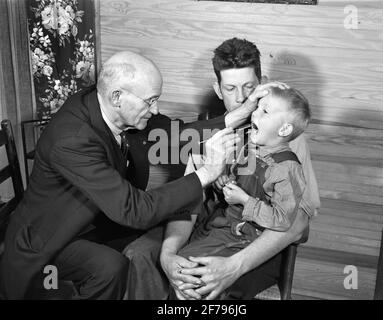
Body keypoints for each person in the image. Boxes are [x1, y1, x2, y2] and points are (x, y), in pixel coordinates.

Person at [0, 51, 247, 300]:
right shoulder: (72, 140)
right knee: (112, 267)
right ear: (117, 97)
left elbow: (175, 132)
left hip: (92, 224)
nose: (156, 108)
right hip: (47, 243)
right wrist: (206, 174)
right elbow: (134, 210)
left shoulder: (105, 104)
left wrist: (240, 113)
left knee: (142, 252)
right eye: (150, 100)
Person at [123, 38, 320, 299]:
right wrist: (168, 254)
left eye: (249, 87)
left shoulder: (286, 139)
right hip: (210, 226)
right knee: (137, 255)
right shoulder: (206, 132)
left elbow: (297, 223)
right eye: (230, 88)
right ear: (218, 89)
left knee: (207, 284)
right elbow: (188, 204)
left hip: (256, 238)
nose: (240, 98)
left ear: (262, 84)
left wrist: (232, 267)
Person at [172, 86, 310, 300]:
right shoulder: (249, 148)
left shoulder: (288, 168)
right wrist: (224, 180)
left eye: (265, 112)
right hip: (225, 229)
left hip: (249, 239)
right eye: (258, 107)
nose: (254, 113)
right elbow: (236, 180)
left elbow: (283, 220)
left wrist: (244, 200)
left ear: (284, 130)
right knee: (182, 264)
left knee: (203, 278)